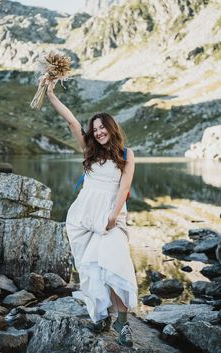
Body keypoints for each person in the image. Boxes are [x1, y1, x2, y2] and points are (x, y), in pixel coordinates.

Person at [46, 79, 138, 347]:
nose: (98, 132)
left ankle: (122, 321)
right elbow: (73, 122)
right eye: (94, 129)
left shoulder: (126, 154)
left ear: (111, 128)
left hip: (111, 219)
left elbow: (124, 188)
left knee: (115, 264)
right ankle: (101, 316)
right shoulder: (89, 151)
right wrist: (51, 94)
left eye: (102, 128)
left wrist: (112, 217)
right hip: (84, 219)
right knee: (92, 269)